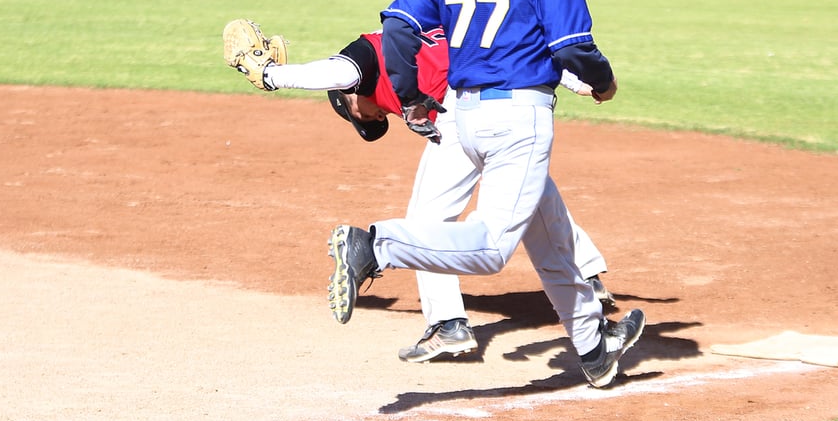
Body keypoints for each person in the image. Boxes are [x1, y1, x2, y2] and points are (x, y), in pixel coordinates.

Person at [326, 0, 645, 388]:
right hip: (519, 119)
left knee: (546, 235)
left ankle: (594, 345)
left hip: (464, 116)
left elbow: (399, 30)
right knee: (493, 246)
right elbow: (573, 48)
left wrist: (412, 100)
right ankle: (374, 246)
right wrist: (605, 82)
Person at [222, 18, 617, 364]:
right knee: (529, 193)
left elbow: (336, 74)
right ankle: (585, 277)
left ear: (348, 99)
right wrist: (573, 79)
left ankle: (447, 324)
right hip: (500, 103)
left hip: (461, 113)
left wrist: (272, 74)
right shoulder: (422, 39)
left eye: (358, 113)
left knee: (427, 221)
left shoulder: (368, 52)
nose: (370, 117)